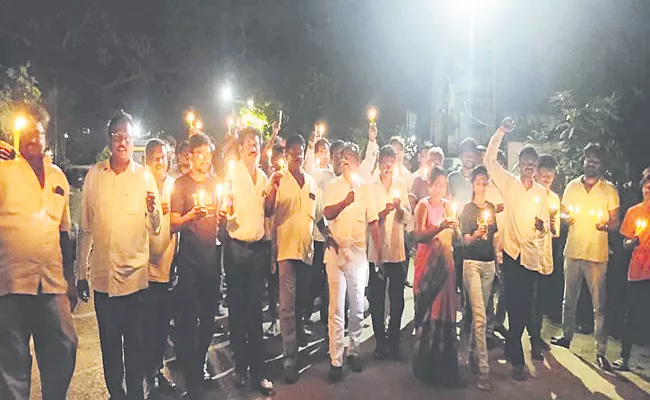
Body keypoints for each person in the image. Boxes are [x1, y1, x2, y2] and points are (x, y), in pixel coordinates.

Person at [77, 110, 161, 399]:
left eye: (127, 136)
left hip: (135, 281)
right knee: (110, 347)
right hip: (103, 280)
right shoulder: (94, 177)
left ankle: (136, 394)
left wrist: (152, 210)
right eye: (117, 136)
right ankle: (117, 394)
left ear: (134, 140)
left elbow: (156, 225)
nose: (122, 142)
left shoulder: (145, 176)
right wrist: (79, 273)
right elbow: (85, 228)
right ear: (109, 140)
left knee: (135, 347)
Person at [0, 106, 78, 400]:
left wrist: (70, 277)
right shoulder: (4, 168)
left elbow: (64, 231)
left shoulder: (59, 177)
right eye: (28, 131)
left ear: (47, 136)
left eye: (39, 131)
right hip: (10, 281)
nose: (34, 136)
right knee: (12, 365)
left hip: (51, 282)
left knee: (65, 344)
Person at [484, 118, 550, 381]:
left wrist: (541, 226)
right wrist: (500, 131)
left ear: (535, 169)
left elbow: (545, 228)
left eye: (532, 166)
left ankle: (513, 348)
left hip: (531, 257)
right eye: (524, 164)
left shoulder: (542, 193)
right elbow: (489, 161)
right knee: (513, 305)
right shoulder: (509, 183)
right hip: (511, 254)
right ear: (519, 164)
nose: (528, 169)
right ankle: (518, 359)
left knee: (524, 307)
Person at [264, 133, 329, 384]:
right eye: (293, 152)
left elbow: (320, 215)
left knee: (302, 301)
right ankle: (289, 357)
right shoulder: (278, 179)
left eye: (301, 152)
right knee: (288, 306)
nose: (298, 155)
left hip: (307, 251)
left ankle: (296, 338)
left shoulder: (311, 183)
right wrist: (273, 189)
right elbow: (268, 210)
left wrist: (328, 235)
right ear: (287, 154)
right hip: (285, 251)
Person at [551, 143, 620, 372]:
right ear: (583, 161)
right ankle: (566, 335)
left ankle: (600, 351)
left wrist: (605, 225)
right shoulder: (571, 186)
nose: (591, 163)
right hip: (573, 251)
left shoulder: (609, 190)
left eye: (596, 161)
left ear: (602, 165)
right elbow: (561, 212)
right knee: (568, 300)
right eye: (588, 159)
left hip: (597, 256)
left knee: (598, 307)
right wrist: (565, 218)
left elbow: (615, 223)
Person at [323, 142, 383, 382]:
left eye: (353, 159)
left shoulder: (366, 190)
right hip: (336, 254)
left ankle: (354, 350)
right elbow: (326, 213)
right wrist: (345, 202)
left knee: (357, 305)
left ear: (357, 163)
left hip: (358, 255)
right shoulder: (333, 186)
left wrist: (378, 253)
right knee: (336, 308)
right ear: (340, 162)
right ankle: (335, 359)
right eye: (344, 158)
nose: (348, 163)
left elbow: (374, 222)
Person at [169, 133, 222, 399]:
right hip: (188, 262)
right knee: (189, 320)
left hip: (211, 260)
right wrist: (192, 215)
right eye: (200, 154)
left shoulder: (215, 183)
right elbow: (172, 222)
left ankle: (199, 361)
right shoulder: (181, 184)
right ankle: (192, 373)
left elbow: (223, 214)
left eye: (208, 155)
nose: (204, 160)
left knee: (208, 318)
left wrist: (224, 214)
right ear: (191, 155)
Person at [222, 127, 274, 395]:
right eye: (248, 143)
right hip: (235, 250)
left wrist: (273, 191)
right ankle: (240, 367)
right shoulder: (232, 174)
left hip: (257, 252)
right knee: (238, 312)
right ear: (240, 148)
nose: (253, 147)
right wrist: (226, 207)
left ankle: (259, 372)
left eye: (256, 143)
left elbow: (267, 211)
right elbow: (226, 206)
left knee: (255, 313)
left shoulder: (264, 177)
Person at [411, 167, 459, 386]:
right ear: (429, 184)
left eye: (443, 185)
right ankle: (425, 364)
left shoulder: (449, 206)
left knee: (446, 311)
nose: (440, 189)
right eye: (436, 184)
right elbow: (419, 235)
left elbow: (455, 237)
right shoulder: (423, 205)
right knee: (429, 312)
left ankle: (444, 364)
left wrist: (456, 229)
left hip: (446, 266)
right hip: (428, 267)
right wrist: (440, 227)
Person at [368, 145, 411, 360]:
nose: (388, 167)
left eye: (391, 163)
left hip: (396, 250)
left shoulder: (401, 186)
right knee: (376, 298)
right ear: (379, 164)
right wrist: (384, 211)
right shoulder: (371, 187)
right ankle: (380, 342)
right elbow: (370, 218)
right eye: (384, 163)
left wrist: (400, 209)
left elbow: (408, 218)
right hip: (376, 251)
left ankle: (393, 338)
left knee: (397, 297)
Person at [143, 139, 177, 397]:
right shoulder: (141, 185)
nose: (159, 160)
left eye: (163, 157)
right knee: (146, 324)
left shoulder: (173, 185)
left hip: (168, 265)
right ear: (146, 160)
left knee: (162, 325)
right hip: (144, 269)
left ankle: (156, 368)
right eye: (154, 156)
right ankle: (146, 373)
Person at [461, 165, 497, 391]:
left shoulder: (491, 208)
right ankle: (484, 369)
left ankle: (472, 353)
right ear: (472, 185)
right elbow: (465, 241)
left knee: (480, 312)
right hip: (472, 264)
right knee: (481, 316)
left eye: (485, 182)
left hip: (489, 264)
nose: (481, 186)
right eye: (478, 182)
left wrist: (499, 256)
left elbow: (496, 237)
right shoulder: (467, 209)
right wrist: (476, 235)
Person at [526, 154, 560, 361]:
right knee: (530, 298)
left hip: (545, 253)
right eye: (543, 174)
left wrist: (551, 224)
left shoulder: (554, 198)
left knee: (540, 300)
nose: (546, 178)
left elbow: (556, 231)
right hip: (529, 252)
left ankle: (536, 336)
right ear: (536, 173)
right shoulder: (530, 194)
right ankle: (531, 337)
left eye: (550, 175)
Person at [614, 174, 650, 371]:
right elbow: (625, 243)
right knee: (631, 316)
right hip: (637, 272)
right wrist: (632, 242)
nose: (649, 190)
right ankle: (624, 358)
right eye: (646, 186)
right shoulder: (634, 212)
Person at [303, 138, 336, 329]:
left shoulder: (332, 175)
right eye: (320, 151)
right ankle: (306, 312)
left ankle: (326, 315)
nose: (323, 155)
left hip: (331, 233)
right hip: (316, 234)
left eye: (326, 151)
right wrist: (310, 146)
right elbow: (309, 169)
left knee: (327, 278)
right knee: (314, 275)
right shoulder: (314, 174)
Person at [485, 150, 507, 343]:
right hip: (489, 245)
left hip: (508, 245)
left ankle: (499, 320)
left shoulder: (510, 189)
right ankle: (489, 328)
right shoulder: (486, 190)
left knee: (506, 289)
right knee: (489, 289)